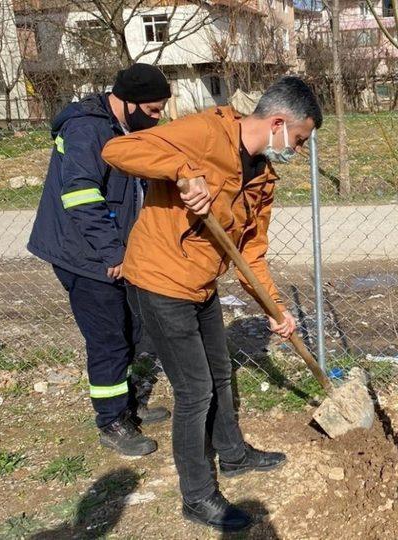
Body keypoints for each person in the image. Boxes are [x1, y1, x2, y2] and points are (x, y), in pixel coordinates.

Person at [101, 76, 322, 532]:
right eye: (298, 140)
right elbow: (117, 152)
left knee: (220, 372)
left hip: (201, 283)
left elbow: (251, 255)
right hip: (161, 280)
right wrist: (182, 172)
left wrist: (276, 310)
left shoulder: (261, 176)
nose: (296, 151)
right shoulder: (204, 132)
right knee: (194, 390)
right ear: (279, 123)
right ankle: (197, 496)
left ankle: (234, 455)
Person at [28, 63, 173, 457]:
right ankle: (111, 421)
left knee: (128, 327)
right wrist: (112, 252)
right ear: (126, 101)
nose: (157, 118)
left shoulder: (123, 127)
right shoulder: (86, 128)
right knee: (108, 337)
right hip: (84, 253)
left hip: (110, 249)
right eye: (154, 110)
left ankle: (127, 404)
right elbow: (80, 195)